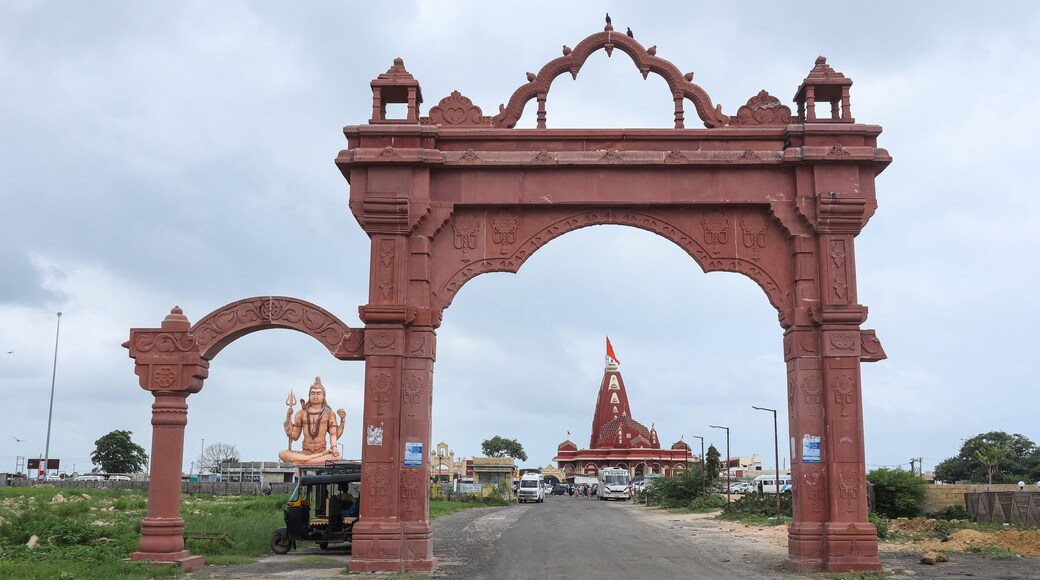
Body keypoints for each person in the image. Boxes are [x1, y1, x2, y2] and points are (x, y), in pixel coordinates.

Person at [278, 377, 347, 465]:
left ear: (323, 396)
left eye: (318, 393)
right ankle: (310, 459)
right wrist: (289, 428)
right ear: (309, 396)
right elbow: (295, 437)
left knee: (337, 457)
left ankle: (304, 461)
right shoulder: (300, 414)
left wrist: (342, 420)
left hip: (321, 451)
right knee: (283, 454)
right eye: (312, 393)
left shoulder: (329, 414)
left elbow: (334, 434)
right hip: (305, 452)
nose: (315, 396)